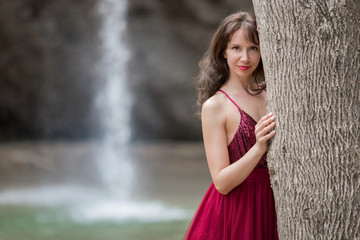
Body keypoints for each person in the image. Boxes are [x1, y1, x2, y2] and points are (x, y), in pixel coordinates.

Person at [184, 11, 278, 239]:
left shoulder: (274, 93)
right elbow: (222, 183)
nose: (245, 58)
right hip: (236, 211)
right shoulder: (216, 106)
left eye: (253, 48)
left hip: (277, 204)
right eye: (236, 48)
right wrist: (258, 148)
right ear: (223, 52)